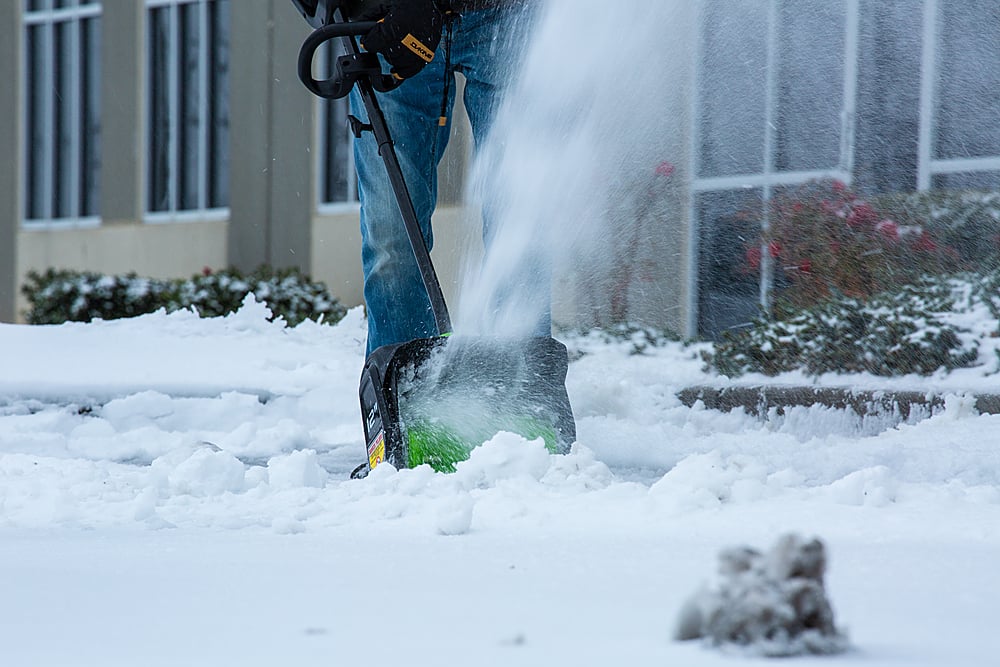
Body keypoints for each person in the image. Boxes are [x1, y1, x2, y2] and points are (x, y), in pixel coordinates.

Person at [333, 0, 541, 355]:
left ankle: (521, 387)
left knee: (520, 223)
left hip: (508, 15)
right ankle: (408, 386)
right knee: (392, 233)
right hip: (391, 18)